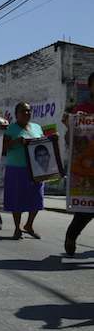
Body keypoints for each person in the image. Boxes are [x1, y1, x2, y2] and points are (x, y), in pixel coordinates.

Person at [3, 102, 45, 240]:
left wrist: (52, 139)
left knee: (37, 198)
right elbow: (3, 148)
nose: (26, 113)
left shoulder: (37, 127)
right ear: (16, 114)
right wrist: (17, 142)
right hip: (16, 169)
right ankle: (17, 228)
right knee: (17, 199)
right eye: (23, 111)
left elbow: (43, 144)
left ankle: (29, 225)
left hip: (36, 168)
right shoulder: (10, 129)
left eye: (28, 111)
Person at [63, 71, 94, 256]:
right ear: (90, 87)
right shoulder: (80, 110)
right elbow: (70, 141)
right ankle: (71, 236)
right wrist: (72, 126)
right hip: (86, 167)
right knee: (86, 211)